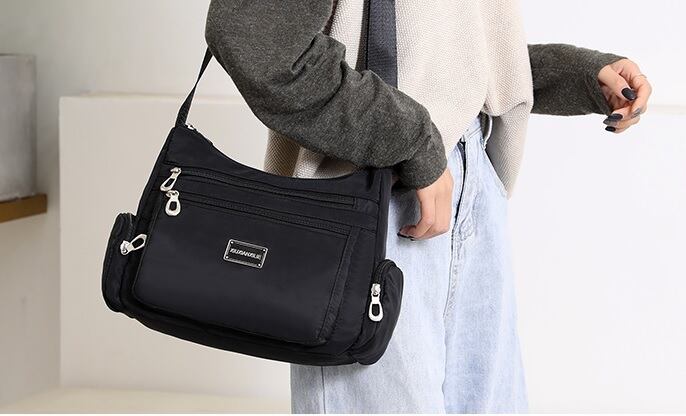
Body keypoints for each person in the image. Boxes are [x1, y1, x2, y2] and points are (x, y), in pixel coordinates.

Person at [204, 0, 653, 413]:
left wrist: (577, 75)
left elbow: (440, 57)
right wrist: (411, 141)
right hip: (372, 199)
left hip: (469, 183)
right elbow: (255, 42)